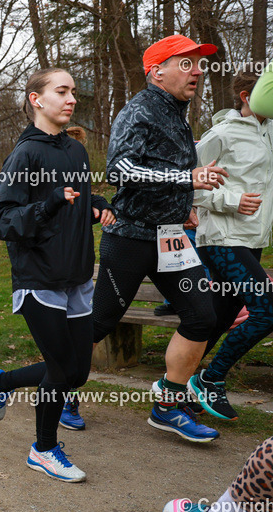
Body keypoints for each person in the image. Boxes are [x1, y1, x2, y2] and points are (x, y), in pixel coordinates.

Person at [91, 34, 228, 443]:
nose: (198, 71)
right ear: (157, 72)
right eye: (186, 64)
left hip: (171, 237)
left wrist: (182, 202)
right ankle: (59, 387)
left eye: (198, 64)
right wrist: (185, 178)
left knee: (203, 316)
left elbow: (160, 168)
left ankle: (167, 405)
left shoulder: (177, 111)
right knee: (100, 322)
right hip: (131, 237)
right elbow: (121, 169)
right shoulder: (138, 111)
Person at [0, 67, 114, 483]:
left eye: (73, 91)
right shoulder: (25, 153)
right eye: (61, 91)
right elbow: (0, 221)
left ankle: (2, 380)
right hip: (38, 277)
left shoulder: (75, 150)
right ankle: (43, 449)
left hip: (76, 276)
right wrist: (50, 205)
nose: (71, 98)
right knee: (60, 370)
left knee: (76, 372)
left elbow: (78, 200)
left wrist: (97, 206)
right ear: (37, 99)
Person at [190, 71, 273, 421]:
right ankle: (211, 378)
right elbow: (189, 187)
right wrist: (233, 201)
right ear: (244, 96)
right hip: (222, 238)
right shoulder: (220, 134)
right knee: (267, 311)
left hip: (252, 240)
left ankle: (173, 385)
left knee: (218, 319)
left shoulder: (269, 133)